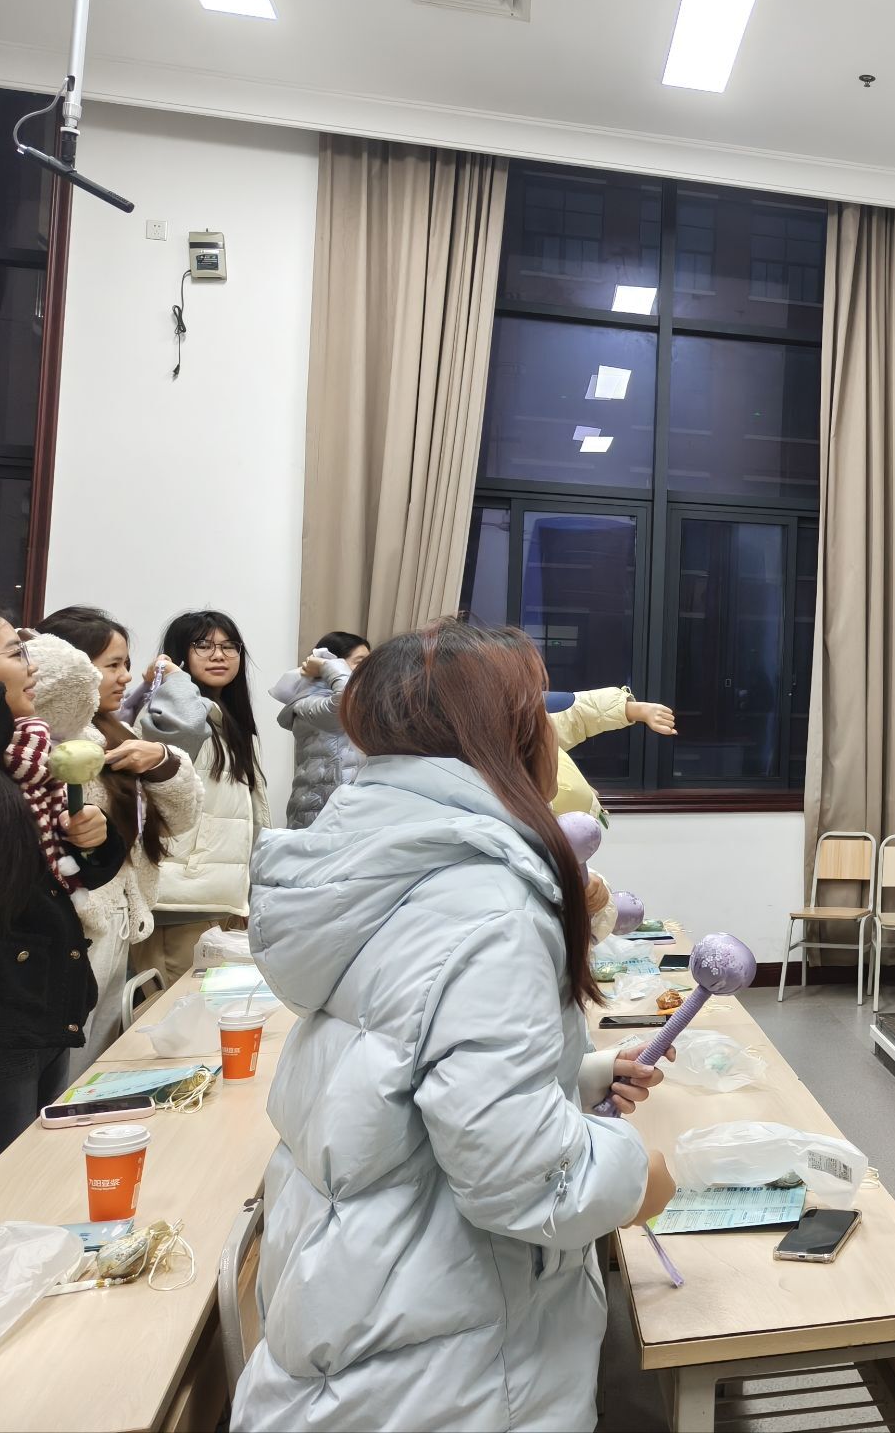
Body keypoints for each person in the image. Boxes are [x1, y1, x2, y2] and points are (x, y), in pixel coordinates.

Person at [233, 621, 677, 1431]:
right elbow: (523, 1178)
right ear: (504, 735)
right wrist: (633, 1171)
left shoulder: (370, 860)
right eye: (534, 714)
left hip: (350, 1310)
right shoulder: (490, 904)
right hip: (446, 1367)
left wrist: (573, 1076)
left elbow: (387, 1058)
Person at [0, 600, 120, 1214]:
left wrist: (94, 843)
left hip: (35, 1012)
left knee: (27, 1196)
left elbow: (51, 881)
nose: (32, 665)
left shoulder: (27, 761)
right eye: (15, 652)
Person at [34, 607, 205, 1070]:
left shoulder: (119, 730)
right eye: (112, 665)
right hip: (78, 922)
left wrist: (162, 761)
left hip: (119, 916)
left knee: (97, 1055)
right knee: (70, 1059)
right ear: (71, 668)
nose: (127, 677)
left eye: (126, 663)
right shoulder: (48, 739)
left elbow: (180, 819)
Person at [131, 610, 269, 985]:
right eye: (203, 645)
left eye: (229, 646)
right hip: (177, 902)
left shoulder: (231, 725)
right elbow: (183, 736)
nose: (219, 655)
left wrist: (249, 893)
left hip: (219, 898)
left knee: (211, 1012)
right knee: (169, 1013)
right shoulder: (165, 716)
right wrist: (173, 680)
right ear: (179, 654)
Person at [268, 630, 369, 829]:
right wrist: (326, 666)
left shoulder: (361, 702)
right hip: (319, 811)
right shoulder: (307, 702)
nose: (368, 670)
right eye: (360, 662)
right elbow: (343, 705)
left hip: (344, 809)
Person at [546, 686, 677, 821]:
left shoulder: (537, 717)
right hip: (549, 823)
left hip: (574, 823)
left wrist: (638, 710)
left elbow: (575, 712)